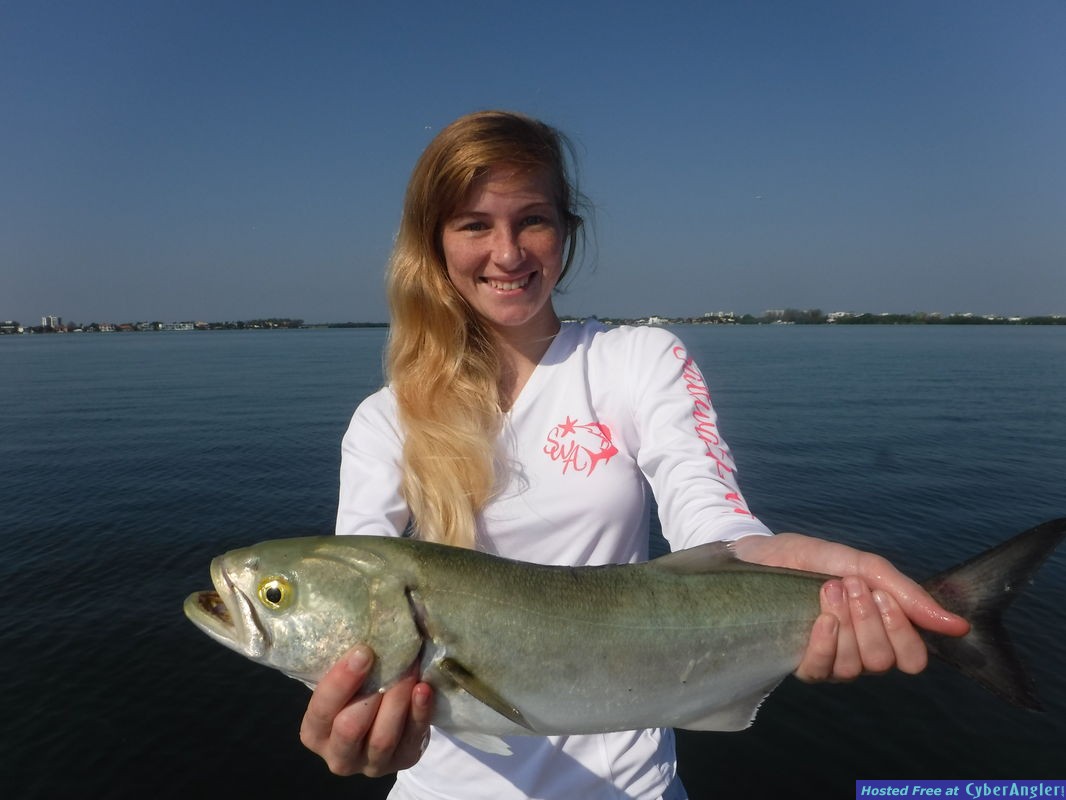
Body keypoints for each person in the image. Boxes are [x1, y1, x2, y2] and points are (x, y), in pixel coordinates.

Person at [299, 110, 969, 799]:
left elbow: (707, 511)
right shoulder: (385, 422)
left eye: (532, 220)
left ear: (567, 231)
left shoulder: (636, 361)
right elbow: (356, 600)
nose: (507, 253)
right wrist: (351, 719)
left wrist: (766, 558)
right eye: (474, 225)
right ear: (434, 242)